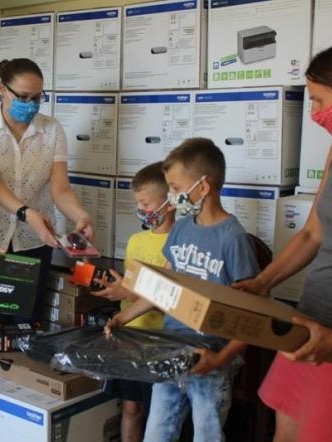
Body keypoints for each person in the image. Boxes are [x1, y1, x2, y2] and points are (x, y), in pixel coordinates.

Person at [233, 38, 332, 442]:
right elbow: (313, 233)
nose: (314, 113)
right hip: (311, 323)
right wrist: (262, 283)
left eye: (318, 100)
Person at [106, 138, 260, 442]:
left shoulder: (233, 238)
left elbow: (254, 316)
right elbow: (163, 288)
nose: (173, 196)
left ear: (203, 186)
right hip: (171, 351)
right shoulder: (181, 229)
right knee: (156, 433)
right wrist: (122, 318)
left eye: (176, 188)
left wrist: (222, 358)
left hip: (210, 358)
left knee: (206, 435)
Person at [0, 58, 94, 323]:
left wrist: (81, 217)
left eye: (36, 97)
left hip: (34, 240)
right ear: (2, 89)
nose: (30, 104)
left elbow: (61, 189)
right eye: (22, 96)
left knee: (28, 320)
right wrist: (27, 213)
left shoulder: (52, 129)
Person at [90, 161, 175, 442]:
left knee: (156, 411)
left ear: (170, 202)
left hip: (159, 341)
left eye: (146, 203)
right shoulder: (136, 240)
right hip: (128, 336)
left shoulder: (179, 243)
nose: (140, 209)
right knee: (130, 407)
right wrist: (116, 290)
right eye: (137, 203)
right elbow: (129, 284)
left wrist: (127, 294)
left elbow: (174, 298)